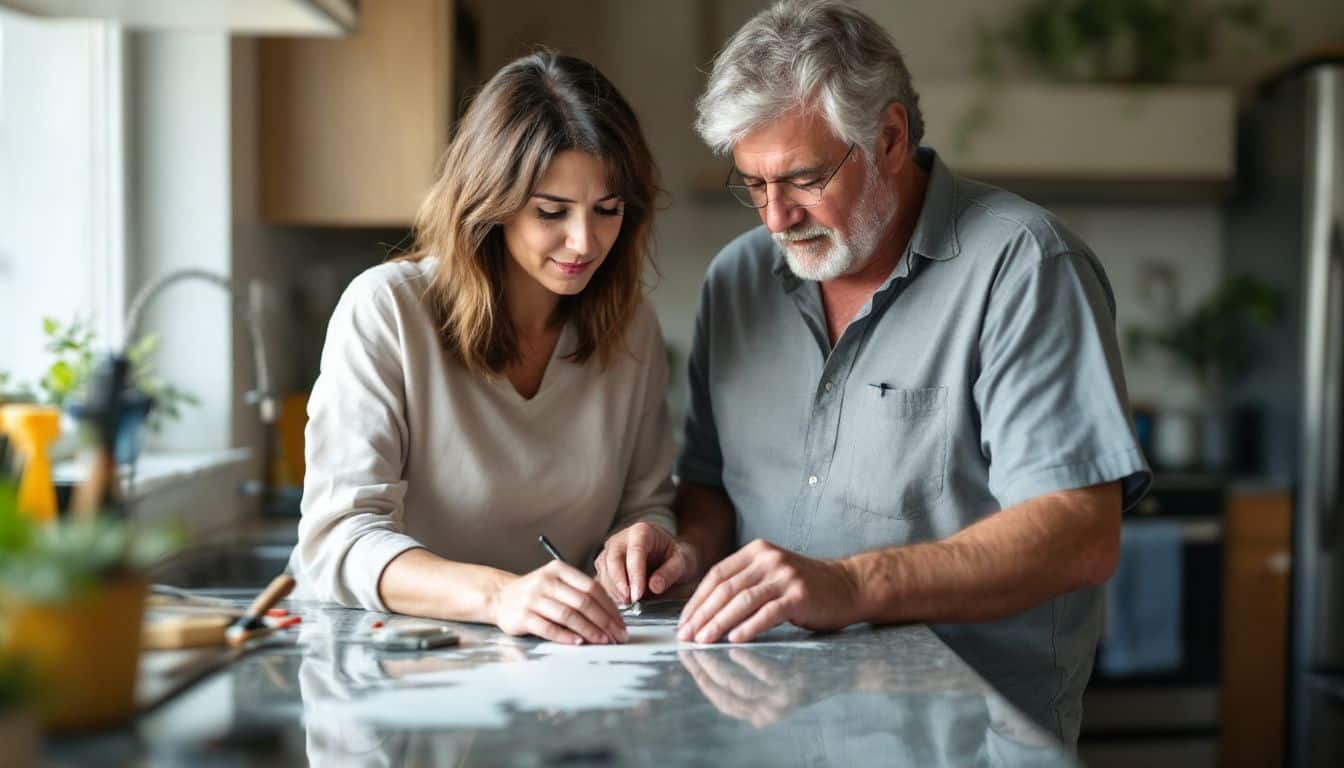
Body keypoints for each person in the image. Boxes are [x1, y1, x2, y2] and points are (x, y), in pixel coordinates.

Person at [595, 0, 1151, 746]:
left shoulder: (1024, 267)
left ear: (889, 138)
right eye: (753, 185)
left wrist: (853, 584)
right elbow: (710, 486)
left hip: (965, 740)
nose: (774, 218)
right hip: (769, 732)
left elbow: (1079, 535)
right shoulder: (736, 282)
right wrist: (687, 549)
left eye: (800, 179)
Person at [293, 51, 675, 647]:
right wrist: (500, 595)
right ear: (491, 202)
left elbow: (647, 503)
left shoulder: (632, 329)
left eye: (608, 210)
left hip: (561, 670)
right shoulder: (386, 310)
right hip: (392, 666)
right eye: (552, 211)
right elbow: (338, 537)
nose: (585, 241)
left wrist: (643, 537)